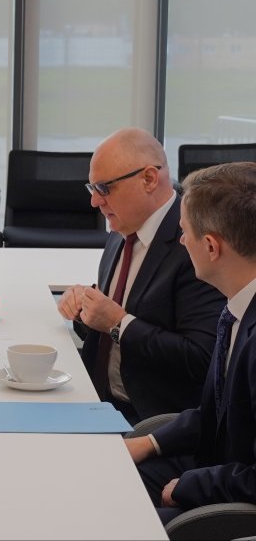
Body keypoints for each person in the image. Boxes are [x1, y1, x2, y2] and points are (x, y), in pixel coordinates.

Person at [57, 127, 225, 424]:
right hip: (94, 401)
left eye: (104, 188)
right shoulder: (121, 228)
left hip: (151, 420)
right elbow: (113, 330)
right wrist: (85, 311)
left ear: (149, 179)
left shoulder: (194, 244)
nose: (94, 201)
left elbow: (202, 359)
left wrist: (117, 322)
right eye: (92, 188)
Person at [125, 161, 256, 525]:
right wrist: (149, 443)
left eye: (184, 232)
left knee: (110, 518)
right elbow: (220, 412)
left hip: (231, 494)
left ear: (211, 246)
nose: (181, 241)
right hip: (214, 464)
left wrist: (191, 486)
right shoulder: (236, 308)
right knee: (98, 476)